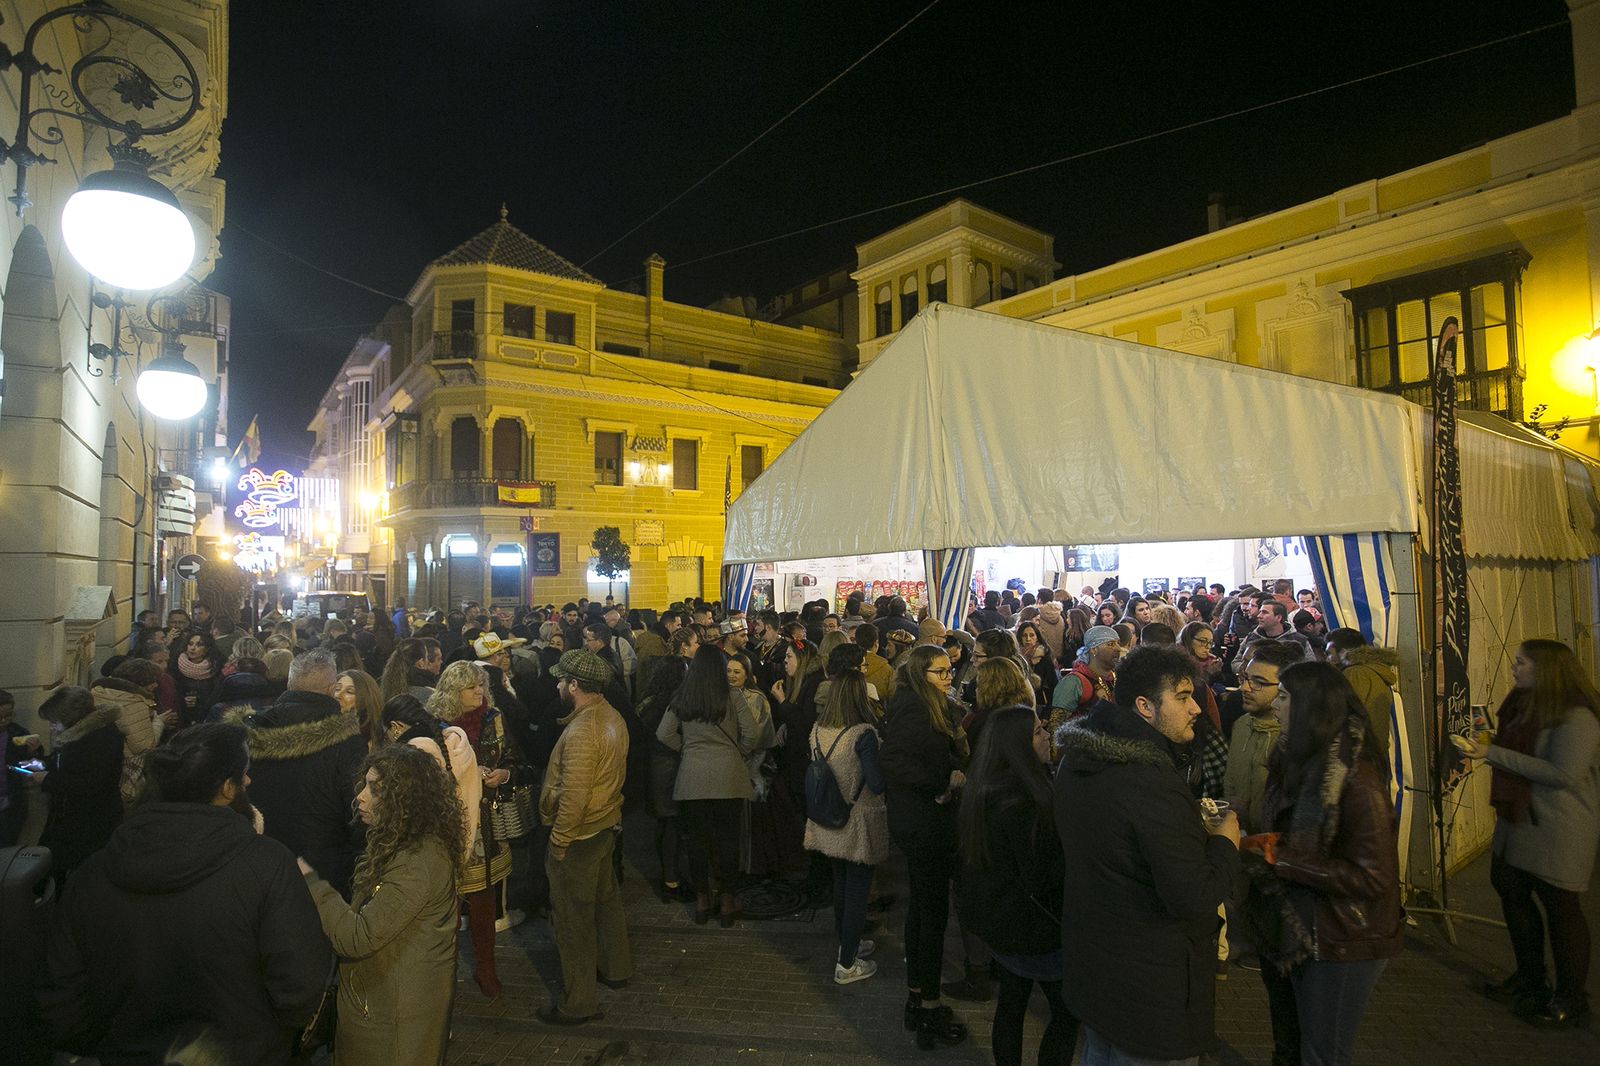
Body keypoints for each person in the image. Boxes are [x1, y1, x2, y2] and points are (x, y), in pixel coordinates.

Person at [41, 723, 330, 1065]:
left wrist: (117, 1044)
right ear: (226, 788)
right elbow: (301, 987)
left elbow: (62, 999)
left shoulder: (92, 874)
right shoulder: (267, 865)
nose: (249, 782)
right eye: (244, 774)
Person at [1055, 644, 1241, 1065]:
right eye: (1181, 697)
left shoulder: (1080, 759)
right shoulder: (1149, 781)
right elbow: (1192, 893)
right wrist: (1225, 841)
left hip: (1099, 968)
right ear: (1144, 706)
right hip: (1152, 989)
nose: (1196, 708)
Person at [1242, 662, 1402, 1066]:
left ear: (1311, 706)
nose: (1275, 703)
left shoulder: (1358, 781)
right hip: (1299, 923)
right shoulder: (1293, 758)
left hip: (1345, 935)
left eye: (1283, 696)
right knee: (1294, 1043)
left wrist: (1282, 857)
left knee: (1324, 1052)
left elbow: (1373, 876)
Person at [1462, 638, 1600, 1028]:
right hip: (1519, 819)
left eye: (1521, 663)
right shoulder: (1524, 705)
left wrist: (1492, 753)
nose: (1513, 669)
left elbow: (1563, 774)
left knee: (1562, 909)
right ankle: (1530, 979)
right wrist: (1487, 740)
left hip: (1559, 826)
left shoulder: (1577, 717)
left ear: (1546, 670)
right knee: (1510, 887)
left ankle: (1571, 998)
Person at [300, 743, 463, 1065]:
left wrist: (311, 883)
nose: (360, 796)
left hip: (392, 1017)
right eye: (364, 784)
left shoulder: (416, 862)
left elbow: (357, 938)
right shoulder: (402, 844)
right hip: (383, 1003)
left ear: (406, 800)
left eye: (375, 789)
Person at [958, 706, 1079, 1066]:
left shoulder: (985, 787)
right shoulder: (1022, 800)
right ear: (1017, 745)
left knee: (1011, 1004)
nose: (1047, 737)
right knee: (1067, 1012)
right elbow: (1041, 874)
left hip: (1002, 921)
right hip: (1035, 928)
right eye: (1039, 731)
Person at [880, 644, 970, 1049]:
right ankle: (927, 1006)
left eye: (950, 669)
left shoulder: (925, 703)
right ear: (920, 674)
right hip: (923, 824)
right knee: (931, 914)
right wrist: (939, 785)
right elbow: (894, 761)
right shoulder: (916, 708)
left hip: (921, 822)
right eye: (940, 671)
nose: (948, 676)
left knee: (923, 911)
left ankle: (920, 997)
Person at [538, 649, 633, 1025]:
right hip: (604, 825)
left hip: (579, 836)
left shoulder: (582, 731)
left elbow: (574, 795)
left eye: (562, 680)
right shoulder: (610, 716)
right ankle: (616, 968)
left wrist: (560, 840)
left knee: (573, 922)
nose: (558, 684)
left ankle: (577, 1002)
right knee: (606, 903)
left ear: (575, 685)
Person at [227, 649, 367, 899]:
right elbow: (357, 809)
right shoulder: (347, 740)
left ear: (290, 683)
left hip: (260, 864)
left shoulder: (251, 731)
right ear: (331, 688)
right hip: (325, 874)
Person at [657, 645, 770, 925]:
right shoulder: (732, 695)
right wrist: (738, 752)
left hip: (692, 777)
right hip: (728, 775)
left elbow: (664, 733)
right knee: (728, 840)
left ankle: (702, 900)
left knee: (697, 841)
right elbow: (752, 734)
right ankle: (728, 901)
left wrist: (687, 749)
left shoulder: (684, 696)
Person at [803, 669, 888, 984]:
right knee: (857, 891)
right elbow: (877, 783)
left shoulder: (817, 730)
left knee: (840, 884)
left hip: (828, 819)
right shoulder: (863, 733)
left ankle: (846, 943)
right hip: (857, 821)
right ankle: (847, 964)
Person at [36, 686, 125, 883]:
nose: (51, 727)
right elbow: (65, 763)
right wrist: (40, 761)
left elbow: (90, 783)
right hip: (71, 817)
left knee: (81, 870)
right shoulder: (78, 734)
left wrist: (48, 779)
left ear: (71, 718)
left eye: (54, 722)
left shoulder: (100, 738)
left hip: (90, 820)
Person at [1224, 642, 1306, 835]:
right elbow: (1230, 782)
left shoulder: (1296, 739)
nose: (1245, 688)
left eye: (1259, 682)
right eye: (1245, 678)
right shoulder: (1241, 726)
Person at [637, 655, 692, 901]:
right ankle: (671, 881)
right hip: (667, 769)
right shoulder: (672, 703)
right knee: (672, 825)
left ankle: (669, 877)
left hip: (652, 768)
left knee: (664, 825)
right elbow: (666, 736)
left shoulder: (649, 700)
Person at [1325, 628, 1397, 764]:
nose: (1327, 659)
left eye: (1329, 653)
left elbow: (1345, 714)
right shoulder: (1371, 669)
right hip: (1373, 752)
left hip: (1359, 756)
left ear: (1343, 651)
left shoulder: (1355, 672)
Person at [334, 668, 385, 749]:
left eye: (349, 691)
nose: (338, 695)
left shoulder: (365, 740)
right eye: (337, 689)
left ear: (366, 699)